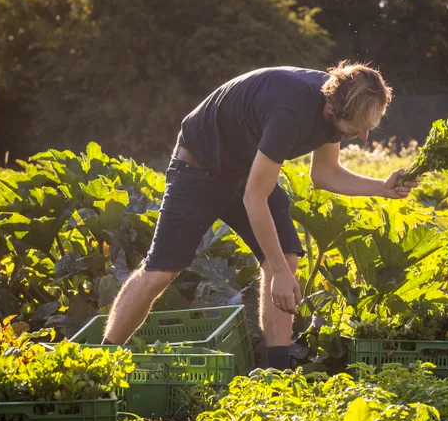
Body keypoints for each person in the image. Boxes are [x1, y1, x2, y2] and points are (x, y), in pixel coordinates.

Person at [101, 62, 416, 370]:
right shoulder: (290, 113)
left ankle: (276, 376)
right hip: (197, 168)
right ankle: (102, 360)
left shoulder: (340, 99)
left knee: (287, 258)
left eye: (368, 128)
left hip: (243, 171)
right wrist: (278, 271)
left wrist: (382, 187)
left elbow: (324, 174)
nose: (363, 136)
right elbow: (255, 198)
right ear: (332, 109)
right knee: (160, 273)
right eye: (356, 129)